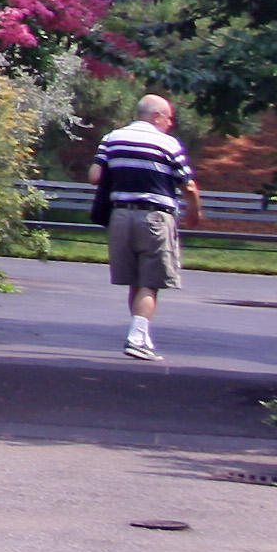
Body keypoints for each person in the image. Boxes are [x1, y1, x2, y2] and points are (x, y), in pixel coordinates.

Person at [93, 93, 206, 358]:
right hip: (155, 217)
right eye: (169, 118)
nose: (170, 124)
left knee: (135, 280)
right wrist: (196, 211)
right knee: (151, 281)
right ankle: (136, 338)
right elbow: (187, 183)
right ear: (157, 116)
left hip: (120, 216)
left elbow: (95, 176)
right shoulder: (167, 143)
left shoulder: (112, 138)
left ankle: (142, 337)